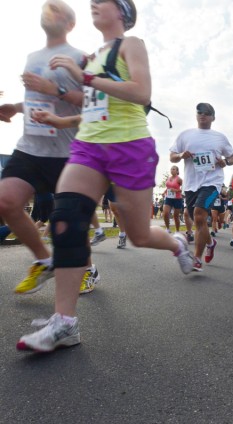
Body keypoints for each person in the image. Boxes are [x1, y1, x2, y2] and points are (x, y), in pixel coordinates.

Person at [17, 0, 195, 353]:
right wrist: (58, 115)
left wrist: (83, 75)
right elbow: (92, 104)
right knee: (65, 218)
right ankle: (64, 322)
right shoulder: (91, 56)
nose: (94, 4)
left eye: (104, 1)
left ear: (123, 13)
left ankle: (176, 244)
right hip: (89, 146)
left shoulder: (131, 45)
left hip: (130, 145)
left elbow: (141, 93)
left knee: (138, 234)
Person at [0, 0, 90, 295]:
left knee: (70, 222)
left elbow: (95, 103)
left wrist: (56, 89)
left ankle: (87, 268)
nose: (50, 13)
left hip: (67, 152)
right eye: (47, 9)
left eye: (59, 11)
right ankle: (44, 260)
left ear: (70, 24)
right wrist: (14, 106)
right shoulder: (32, 56)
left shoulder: (80, 57)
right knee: (6, 202)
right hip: (30, 146)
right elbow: (38, 100)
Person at [170, 102, 233, 269]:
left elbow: (232, 157)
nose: (202, 115)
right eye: (199, 112)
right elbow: (172, 156)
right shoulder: (185, 135)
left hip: (212, 183)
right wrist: (181, 155)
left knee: (199, 215)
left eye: (206, 112)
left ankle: (196, 258)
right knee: (197, 220)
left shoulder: (219, 137)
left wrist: (225, 161)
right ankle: (210, 242)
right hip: (192, 184)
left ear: (213, 117)